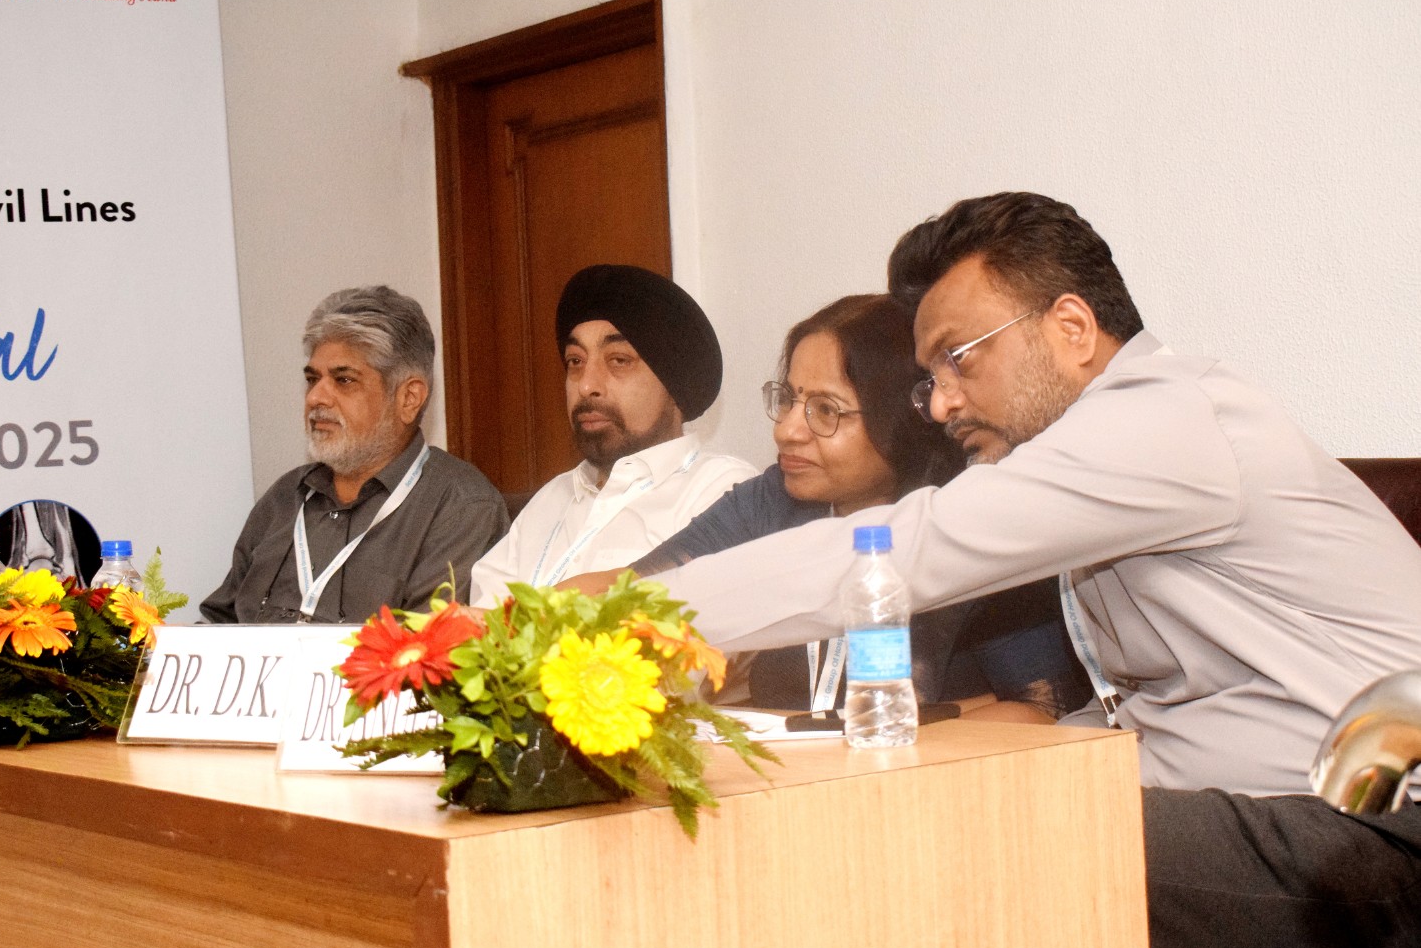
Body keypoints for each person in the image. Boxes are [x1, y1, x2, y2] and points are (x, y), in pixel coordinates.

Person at [655, 192, 1421, 948]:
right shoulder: (1110, 461)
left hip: (1386, 833)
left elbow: (914, 545)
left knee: (957, 841)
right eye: (929, 377)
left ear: (1073, 328)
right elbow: (1155, 718)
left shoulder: (1168, 418)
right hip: (1294, 813)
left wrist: (643, 611)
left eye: (959, 357)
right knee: (909, 816)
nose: (942, 402)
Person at [574, 293, 1089, 721]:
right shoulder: (775, 499)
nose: (786, 430)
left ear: (903, 420)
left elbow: (1042, 708)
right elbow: (628, 590)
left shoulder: (971, 518)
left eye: (825, 410)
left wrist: (873, 743)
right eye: (788, 400)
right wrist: (534, 622)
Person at [202, 285, 508, 624]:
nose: (316, 397)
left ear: (409, 398)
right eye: (312, 379)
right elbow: (217, 625)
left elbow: (429, 647)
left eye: (344, 380)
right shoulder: (285, 497)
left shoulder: (460, 508)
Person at [469, 264, 756, 605]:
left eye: (618, 360)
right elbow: (480, 622)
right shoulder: (552, 498)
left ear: (674, 386)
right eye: (575, 361)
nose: (586, 385)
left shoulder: (722, 490)